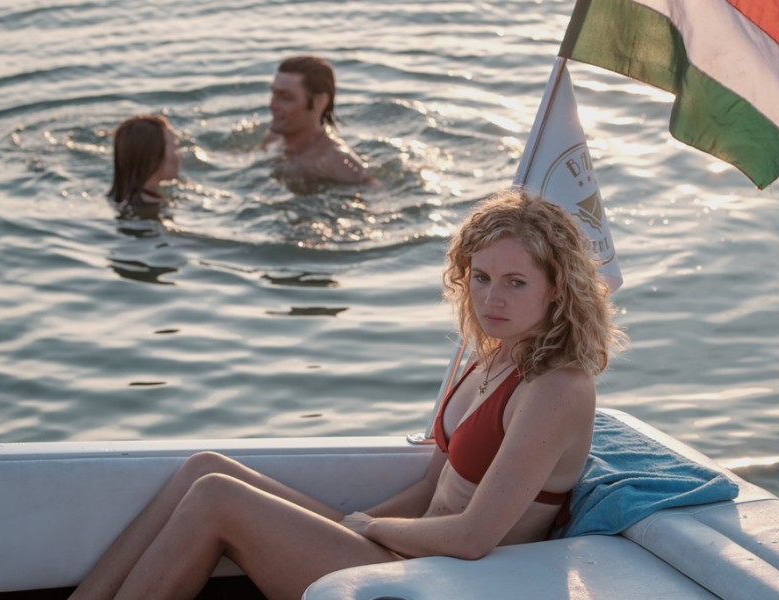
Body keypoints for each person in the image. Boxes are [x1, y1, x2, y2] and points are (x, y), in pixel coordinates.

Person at [69, 189, 625, 600]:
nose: (491, 299)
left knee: (217, 496)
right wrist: (354, 524)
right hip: (409, 551)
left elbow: (475, 535)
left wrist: (369, 528)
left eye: (515, 282)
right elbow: (434, 486)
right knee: (203, 467)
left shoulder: (558, 388)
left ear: (559, 289)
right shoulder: (492, 354)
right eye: (480, 277)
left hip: (454, 580)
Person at [262, 55, 372, 189]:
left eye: (286, 98)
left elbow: (375, 196)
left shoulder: (338, 164)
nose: (272, 105)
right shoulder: (273, 139)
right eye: (274, 94)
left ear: (319, 102)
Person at [109, 114, 180, 219]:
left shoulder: (116, 198)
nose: (178, 156)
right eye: (174, 149)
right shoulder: (150, 212)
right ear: (153, 158)